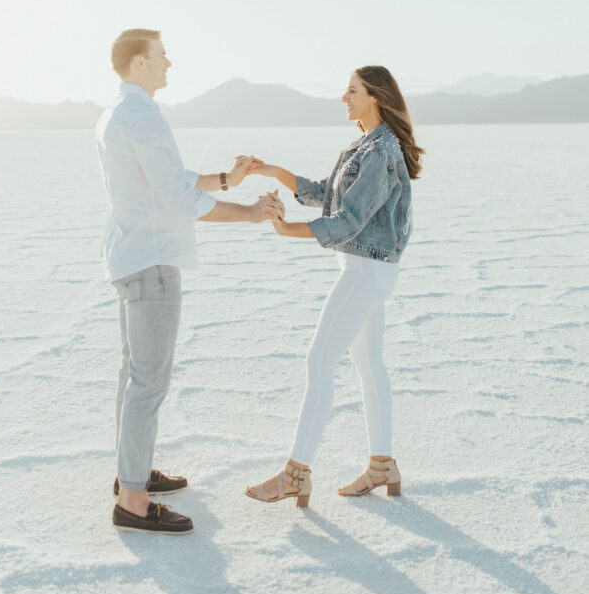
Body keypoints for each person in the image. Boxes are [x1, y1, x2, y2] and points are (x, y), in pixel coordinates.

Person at [96, 29, 275, 534]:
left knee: (133, 375)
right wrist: (249, 212)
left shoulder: (117, 112)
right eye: (161, 56)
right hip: (151, 263)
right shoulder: (143, 114)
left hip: (128, 256)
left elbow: (166, 176)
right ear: (137, 64)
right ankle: (132, 501)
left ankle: (129, 475)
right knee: (148, 382)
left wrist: (225, 179)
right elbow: (176, 197)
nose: (169, 63)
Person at [244, 65, 424, 508]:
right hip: (368, 269)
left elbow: (348, 220)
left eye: (351, 91)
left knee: (319, 363)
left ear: (375, 97)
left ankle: (295, 474)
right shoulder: (365, 144)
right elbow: (327, 193)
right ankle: (383, 466)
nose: (343, 98)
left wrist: (288, 232)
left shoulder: (381, 150)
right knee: (369, 364)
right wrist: (271, 170)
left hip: (365, 271)